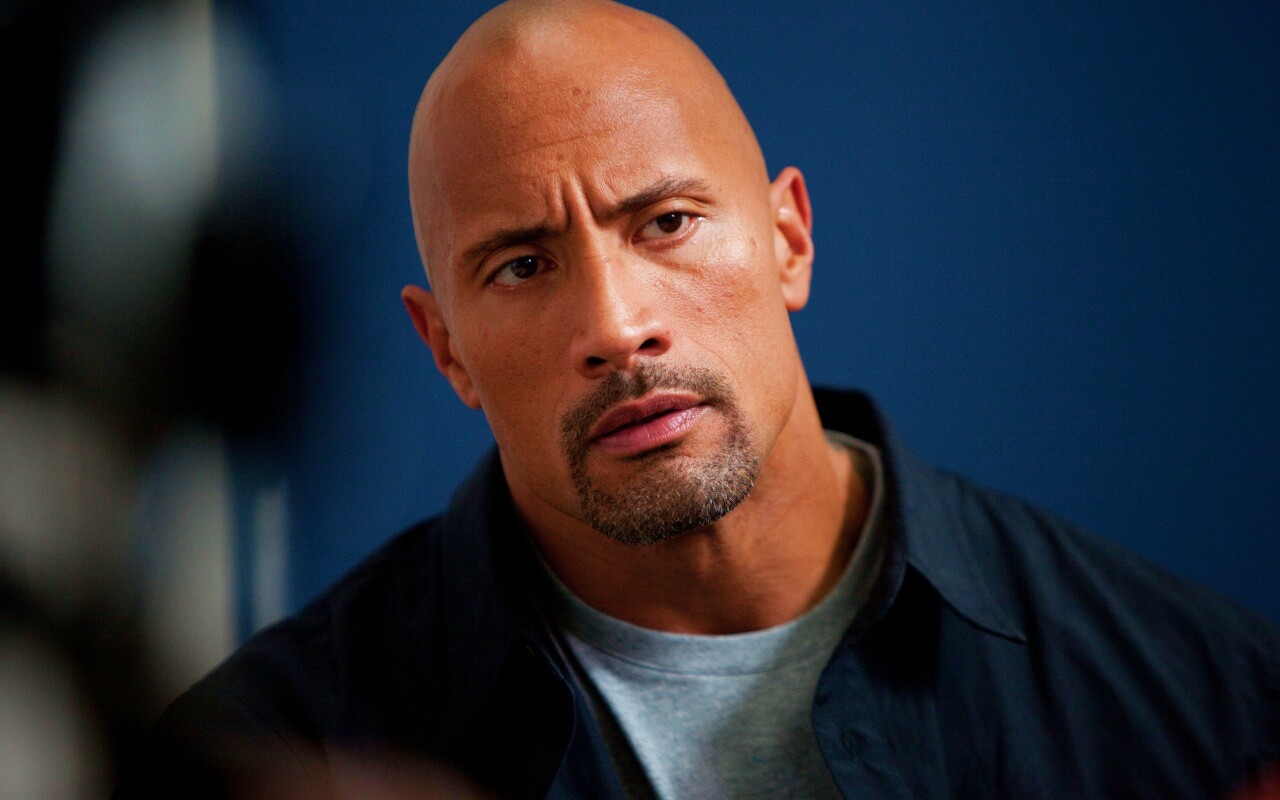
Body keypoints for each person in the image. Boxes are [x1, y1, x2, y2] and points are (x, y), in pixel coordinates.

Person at [116, 1, 1280, 798]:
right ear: (445, 348)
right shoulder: (257, 755)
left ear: (788, 238)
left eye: (665, 221)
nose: (615, 326)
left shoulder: (1207, 705)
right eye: (520, 265)